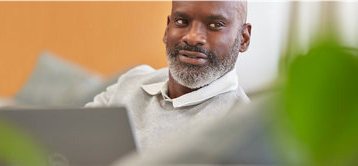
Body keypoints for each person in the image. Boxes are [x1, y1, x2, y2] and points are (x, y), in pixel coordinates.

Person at [86, 1, 252, 151]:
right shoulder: (133, 81)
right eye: (181, 21)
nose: (193, 38)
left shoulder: (243, 129)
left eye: (215, 25)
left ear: (243, 39)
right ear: (167, 29)